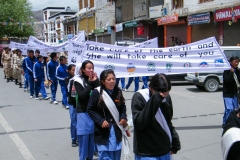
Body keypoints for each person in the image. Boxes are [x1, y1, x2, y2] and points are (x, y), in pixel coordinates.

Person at [131, 73, 181, 159]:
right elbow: (139, 123)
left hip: (164, 150)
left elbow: (168, 122)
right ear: (151, 88)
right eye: (161, 94)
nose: (163, 96)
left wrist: (175, 141)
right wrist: (155, 100)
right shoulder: (140, 97)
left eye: (166, 93)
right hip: (146, 152)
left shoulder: (167, 97)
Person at [88, 69, 129, 160]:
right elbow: (90, 109)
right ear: (103, 81)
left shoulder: (118, 91)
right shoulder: (97, 93)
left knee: (116, 156)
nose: (112, 82)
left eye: (113, 79)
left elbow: (122, 106)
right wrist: (100, 120)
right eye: (109, 79)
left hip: (116, 129)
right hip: (103, 131)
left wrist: (123, 117)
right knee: (105, 157)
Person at [74, 60, 100, 160]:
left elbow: (100, 93)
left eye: (92, 68)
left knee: (91, 139)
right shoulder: (78, 81)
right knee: (84, 139)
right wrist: (90, 83)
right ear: (83, 70)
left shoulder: (94, 80)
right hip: (83, 112)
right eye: (89, 68)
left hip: (93, 112)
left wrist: (96, 81)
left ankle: (90, 157)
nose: (91, 70)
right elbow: (82, 96)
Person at [222, 56, 240, 125]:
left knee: (235, 109)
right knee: (229, 110)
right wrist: (231, 73)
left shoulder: (238, 70)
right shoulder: (227, 70)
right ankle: (226, 123)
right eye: (235, 62)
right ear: (231, 62)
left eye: (238, 62)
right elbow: (227, 81)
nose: (236, 63)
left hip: (235, 94)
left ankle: (232, 122)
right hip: (228, 94)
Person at [65, 64, 77, 147]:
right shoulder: (69, 80)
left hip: (80, 104)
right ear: (69, 71)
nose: (74, 71)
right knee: (73, 121)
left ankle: (80, 138)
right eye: (73, 70)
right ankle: (73, 139)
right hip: (73, 103)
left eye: (75, 70)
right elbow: (71, 93)